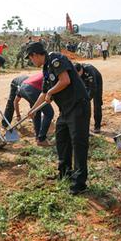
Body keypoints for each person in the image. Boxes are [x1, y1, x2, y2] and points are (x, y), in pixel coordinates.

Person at [25, 42, 90, 195]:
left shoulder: (55, 58)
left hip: (78, 106)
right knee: (61, 139)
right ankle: (65, 173)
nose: (31, 61)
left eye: (30, 58)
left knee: (78, 144)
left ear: (35, 55)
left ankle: (79, 183)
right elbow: (44, 93)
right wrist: (33, 109)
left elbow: (65, 80)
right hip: (66, 110)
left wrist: (51, 92)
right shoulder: (46, 69)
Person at [13, 72, 55, 146]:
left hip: (26, 90)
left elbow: (15, 101)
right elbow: (44, 94)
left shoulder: (24, 83)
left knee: (36, 112)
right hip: (33, 90)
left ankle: (38, 136)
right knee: (49, 113)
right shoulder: (54, 73)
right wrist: (31, 110)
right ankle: (41, 139)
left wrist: (18, 115)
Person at [74, 63, 103, 133]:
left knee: (97, 103)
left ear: (81, 70)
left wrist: (87, 100)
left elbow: (93, 89)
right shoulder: (74, 71)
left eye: (78, 74)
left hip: (96, 81)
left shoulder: (89, 71)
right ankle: (84, 127)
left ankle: (97, 126)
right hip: (85, 81)